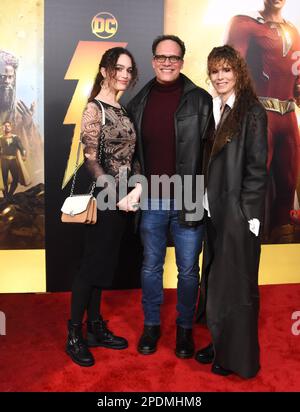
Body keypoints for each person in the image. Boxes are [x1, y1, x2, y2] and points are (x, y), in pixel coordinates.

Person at [127, 35, 212, 358]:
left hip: (189, 196)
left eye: (173, 57)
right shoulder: (139, 102)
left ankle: (185, 329)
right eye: (161, 57)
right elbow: (133, 155)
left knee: (189, 270)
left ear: (182, 61)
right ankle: (151, 325)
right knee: (151, 266)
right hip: (151, 199)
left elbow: (211, 152)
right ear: (152, 61)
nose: (167, 62)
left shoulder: (201, 101)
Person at [66, 47, 142, 367]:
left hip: (125, 199)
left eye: (129, 70)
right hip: (104, 197)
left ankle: (95, 327)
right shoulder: (95, 109)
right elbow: (91, 161)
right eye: (118, 68)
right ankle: (74, 335)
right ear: (104, 69)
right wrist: (116, 193)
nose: (124, 75)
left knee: (103, 265)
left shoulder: (122, 110)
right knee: (90, 267)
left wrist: (137, 186)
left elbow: (131, 157)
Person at [195, 45, 268, 378]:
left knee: (236, 287)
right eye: (214, 71)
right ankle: (218, 342)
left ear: (237, 72)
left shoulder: (252, 111)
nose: (220, 77)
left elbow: (256, 168)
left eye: (226, 70)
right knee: (214, 281)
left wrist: (247, 215)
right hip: (214, 212)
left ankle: (236, 359)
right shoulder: (214, 108)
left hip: (238, 217)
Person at [224, 0, 300, 240]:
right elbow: (229, 70)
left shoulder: (293, 30)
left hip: (288, 116)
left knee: (287, 183)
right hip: (258, 113)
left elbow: (296, 81)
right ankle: (244, 239)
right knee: (253, 182)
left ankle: (282, 244)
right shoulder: (244, 24)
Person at [0, 49, 43, 186]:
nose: (6, 81)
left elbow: (37, 153)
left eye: (10, 77)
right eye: (1, 77)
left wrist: (28, 125)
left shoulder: (19, 113)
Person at [0, 120, 29, 199]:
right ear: (3, 128)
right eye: (5, 126)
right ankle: (6, 197)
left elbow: (22, 148)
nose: (7, 127)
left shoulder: (15, 137)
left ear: (11, 127)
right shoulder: (1, 138)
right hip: (4, 161)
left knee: (15, 179)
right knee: (4, 180)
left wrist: (24, 155)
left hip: (13, 161)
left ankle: (9, 195)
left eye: (8, 126)